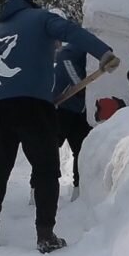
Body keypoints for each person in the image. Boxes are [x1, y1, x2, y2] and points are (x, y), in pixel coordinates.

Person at [0, 0, 119, 253]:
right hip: (33, 106)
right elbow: (72, 32)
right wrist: (103, 53)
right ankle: (45, 235)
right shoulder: (41, 18)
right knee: (46, 169)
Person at [53, 42, 95, 197]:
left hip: (83, 110)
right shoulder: (81, 43)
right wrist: (80, 86)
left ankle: (78, 191)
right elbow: (64, 56)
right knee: (48, 148)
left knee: (82, 149)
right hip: (61, 107)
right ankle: (39, 188)